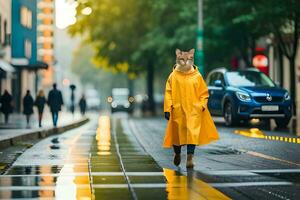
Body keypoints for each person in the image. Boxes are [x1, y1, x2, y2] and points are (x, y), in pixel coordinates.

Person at [163, 49, 219, 168]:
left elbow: (204, 93)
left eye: (188, 59)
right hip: (178, 111)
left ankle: (190, 158)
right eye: (182, 60)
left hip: (194, 111)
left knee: (192, 134)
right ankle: (177, 153)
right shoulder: (173, 76)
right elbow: (168, 92)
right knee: (177, 137)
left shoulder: (197, 76)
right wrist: (167, 108)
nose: (185, 62)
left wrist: (202, 105)